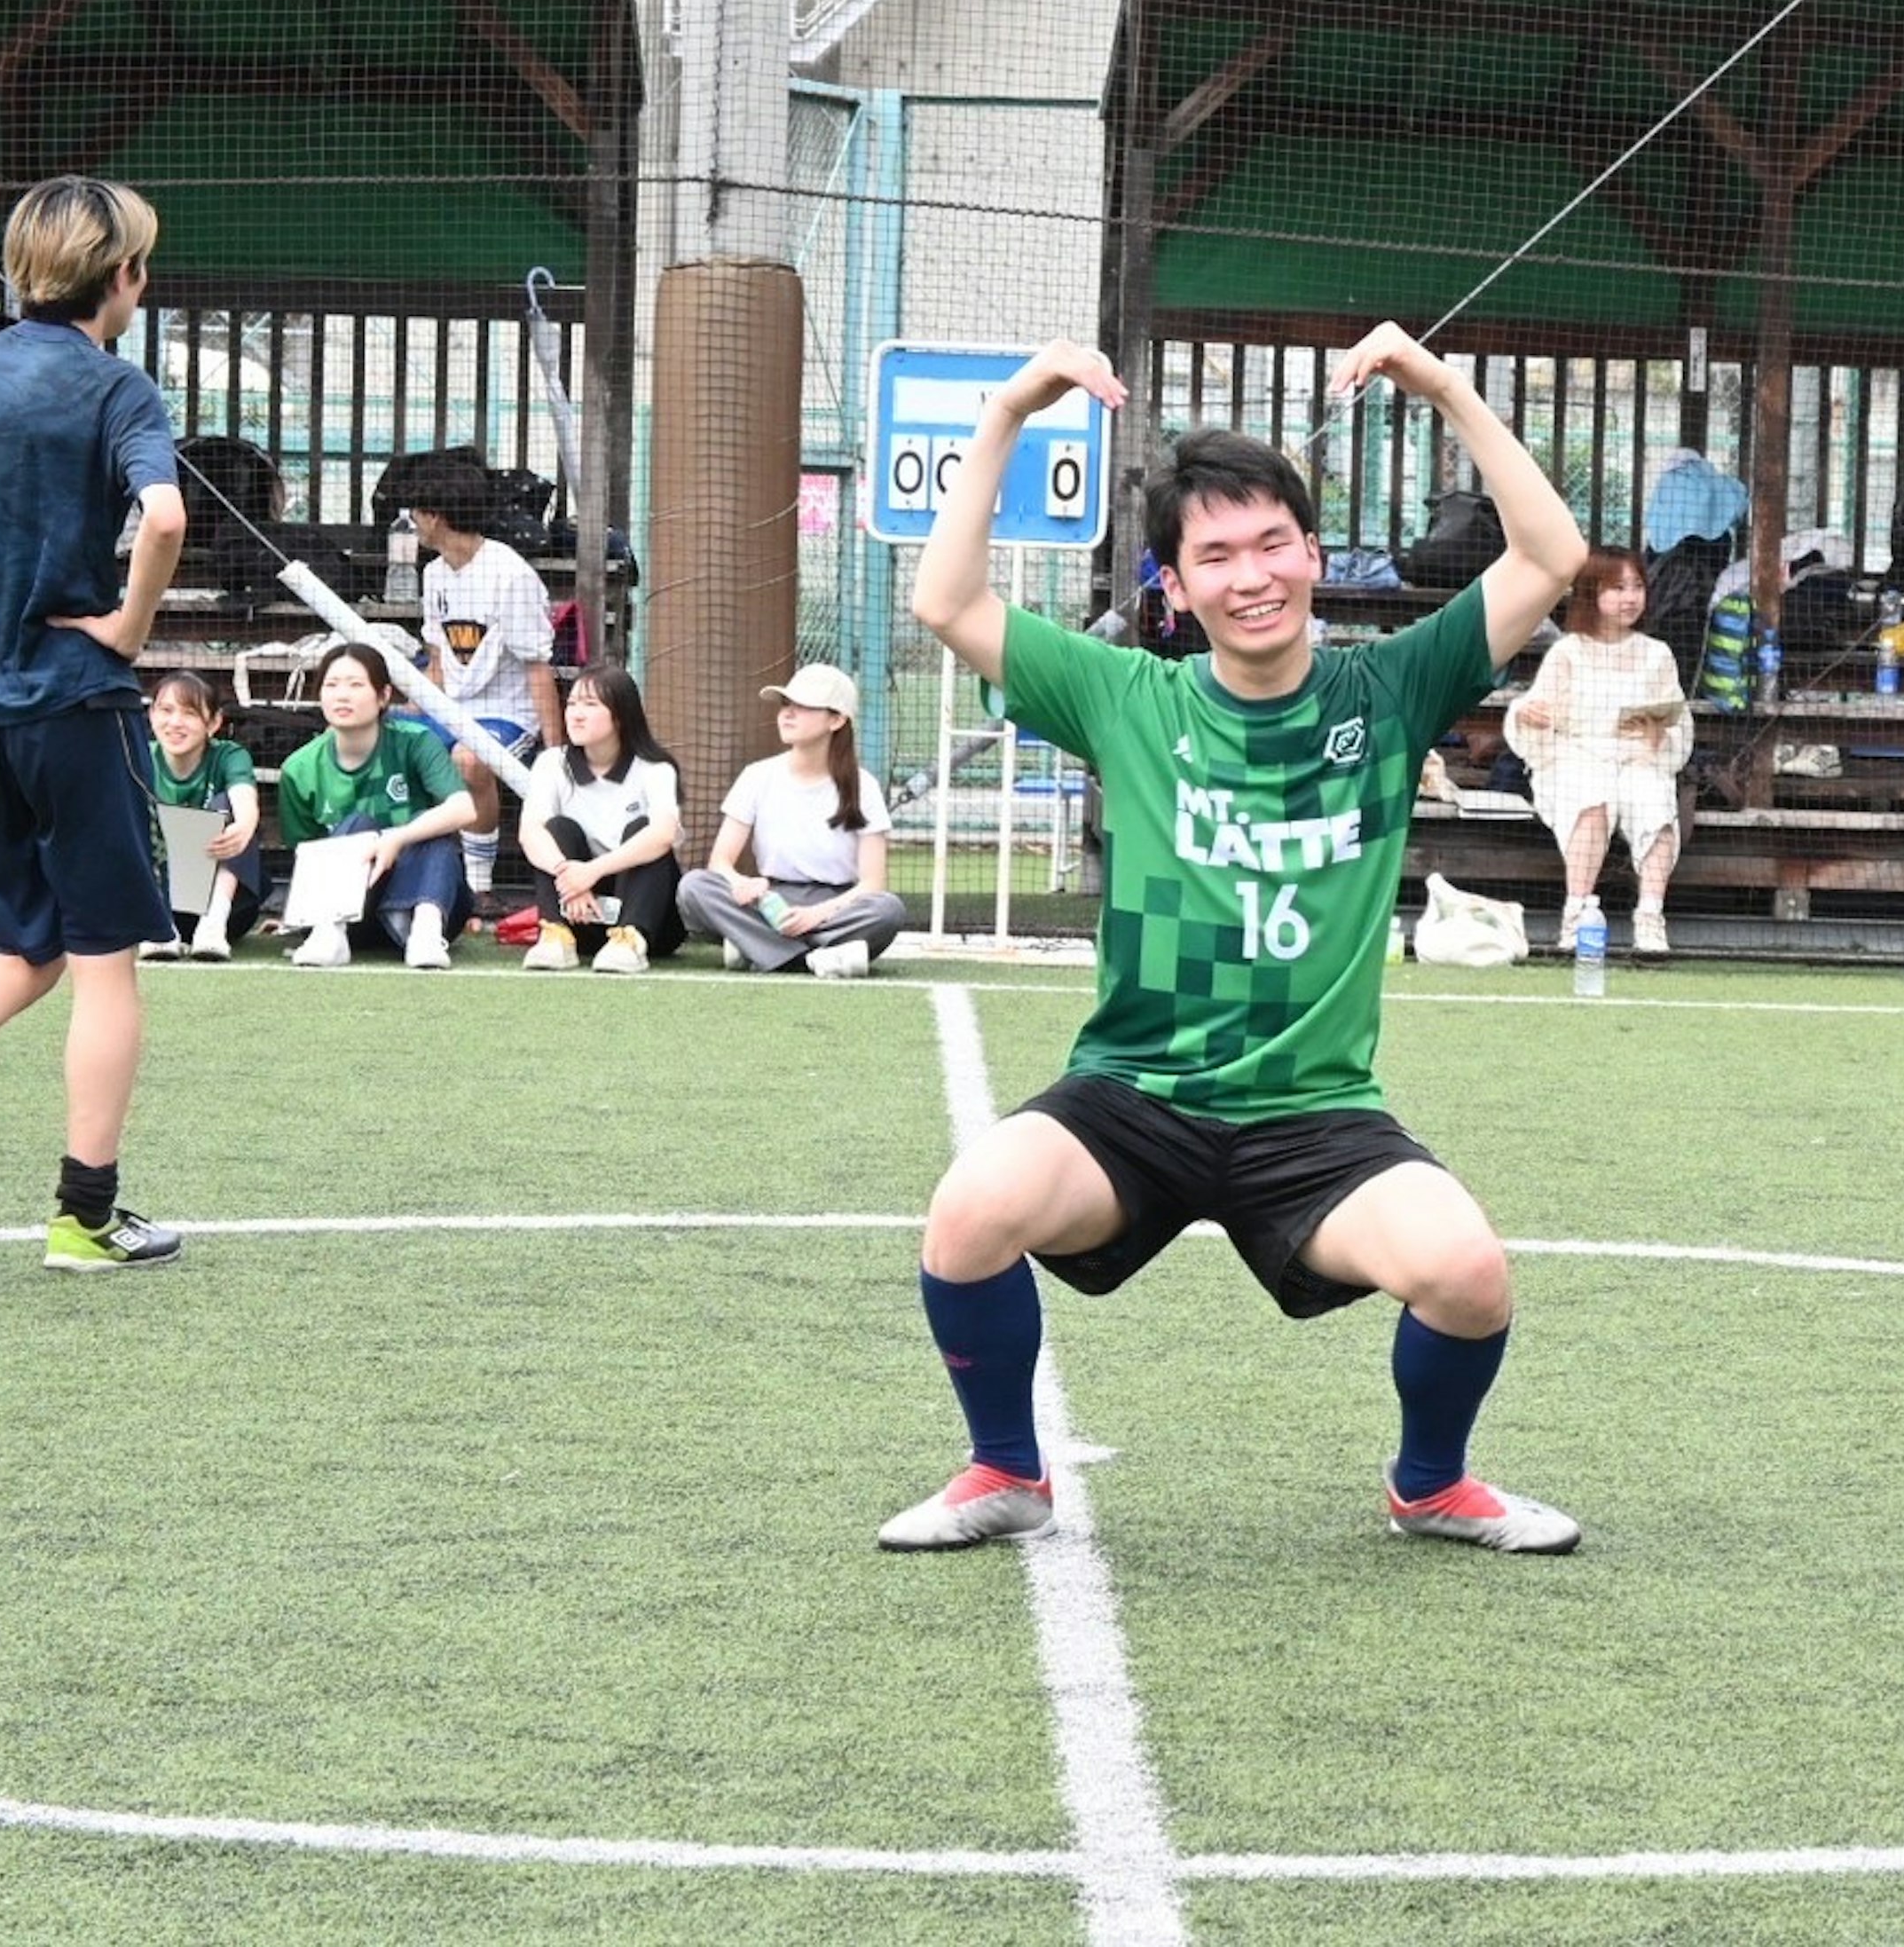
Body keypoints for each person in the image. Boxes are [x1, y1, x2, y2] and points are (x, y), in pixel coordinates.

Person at [879, 324, 1588, 1557]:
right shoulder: (1127, 696)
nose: (1251, 573)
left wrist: (1445, 387)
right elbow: (945, 597)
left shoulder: (1391, 689)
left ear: (1312, 551)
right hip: (1134, 1102)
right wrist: (1008, 412)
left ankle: (1430, 1483)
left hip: (1315, 1116)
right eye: (1216, 554)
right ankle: (1005, 1468)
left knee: (1470, 1270)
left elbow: (1553, 553)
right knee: (968, 1209)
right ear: (1175, 585)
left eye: (1273, 542)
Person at [0, 176, 189, 1270]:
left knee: (28, 948)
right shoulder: (119, 389)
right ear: (123, 279)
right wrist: (126, 625)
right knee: (104, 961)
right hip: (71, 700)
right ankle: (86, 1215)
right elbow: (162, 514)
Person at [397, 447, 563, 908]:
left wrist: (555, 751)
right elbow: (438, 656)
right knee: (385, 741)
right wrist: (415, 714)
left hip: (507, 714)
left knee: (470, 760)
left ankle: (479, 887)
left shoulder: (510, 575)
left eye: (416, 512)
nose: (412, 520)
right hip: (453, 709)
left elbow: (537, 664)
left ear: (435, 517)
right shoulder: (433, 574)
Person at [1506, 548, 1692, 955]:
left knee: (1656, 801)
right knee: (1592, 801)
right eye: (1617, 588)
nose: (1630, 598)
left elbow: (1678, 724)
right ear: (1592, 594)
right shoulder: (1568, 651)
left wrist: (1659, 737)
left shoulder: (1657, 654)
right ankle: (1576, 915)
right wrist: (1529, 716)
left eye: (1637, 587)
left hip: (1638, 758)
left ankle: (1650, 917)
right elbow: (1531, 713)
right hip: (1576, 756)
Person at [673, 664, 908, 977]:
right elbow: (720, 862)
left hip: (835, 907)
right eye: (786, 705)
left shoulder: (863, 785)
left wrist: (814, 916)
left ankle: (757, 948)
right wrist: (743, 884)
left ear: (837, 719)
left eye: (804, 707)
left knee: (887, 909)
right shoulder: (757, 775)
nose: (787, 714)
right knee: (694, 887)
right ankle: (817, 958)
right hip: (769, 902)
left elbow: (872, 884)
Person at [273, 642, 482, 970]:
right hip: (354, 915)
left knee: (433, 830)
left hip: (427, 907)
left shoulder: (415, 741)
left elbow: (463, 808)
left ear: (383, 695)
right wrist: (298, 915)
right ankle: (329, 934)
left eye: (356, 685)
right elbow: (304, 852)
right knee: (357, 825)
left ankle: (425, 935)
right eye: (332, 685)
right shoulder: (298, 769)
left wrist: (396, 838)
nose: (342, 695)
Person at [516, 664, 686, 974]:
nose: (576, 714)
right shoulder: (551, 763)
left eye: (591, 705)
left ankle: (629, 941)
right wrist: (570, 878)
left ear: (621, 715)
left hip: (653, 919)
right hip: (579, 910)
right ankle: (556, 935)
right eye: (572, 704)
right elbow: (530, 833)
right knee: (557, 829)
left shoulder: (656, 768)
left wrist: (591, 872)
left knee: (644, 830)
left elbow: (663, 834)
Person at [142, 670, 265, 961]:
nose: (175, 722)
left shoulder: (228, 756)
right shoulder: (140, 758)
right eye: (166, 710)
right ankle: (158, 928)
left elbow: (244, 799)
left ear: (214, 722)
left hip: (227, 904)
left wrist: (245, 824)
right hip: (161, 893)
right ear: (151, 714)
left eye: (189, 713)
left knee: (231, 808)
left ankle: (212, 927)